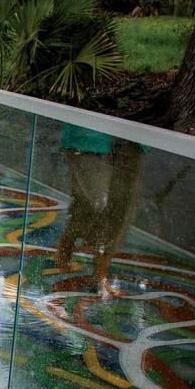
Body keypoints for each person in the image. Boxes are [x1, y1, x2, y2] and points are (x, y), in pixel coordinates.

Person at [54, 123, 148, 296]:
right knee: (95, 202)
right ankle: (68, 239)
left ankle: (101, 272)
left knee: (122, 208)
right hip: (91, 134)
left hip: (135, 135)